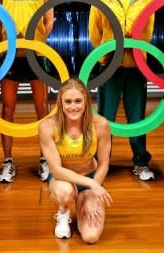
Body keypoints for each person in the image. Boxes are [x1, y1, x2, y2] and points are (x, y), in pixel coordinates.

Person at [0, 0, 54, 183]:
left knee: (42, 108)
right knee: (8, 108)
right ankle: (7, 162)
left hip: (36, 55)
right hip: (9, 57)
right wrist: (8, 45)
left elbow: (49, 21)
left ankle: (45, 160)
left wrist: (35, 43)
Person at [88, 0, 155, 181]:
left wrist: (138, 51)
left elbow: (148, 32)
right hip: (110, 67)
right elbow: (94, 31)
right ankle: (102, 163)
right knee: (105, 119)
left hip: (136, 67)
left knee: (137, 117)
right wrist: (105, 57)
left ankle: (140, 162)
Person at [39, 78, 113, 243]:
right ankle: (63, 211)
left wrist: (93, 191)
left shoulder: (101, 125)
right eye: (68, 101)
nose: (73, 106)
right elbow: (57, 170)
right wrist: (93, 184)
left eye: (78, 101)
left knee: (90, 237)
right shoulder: (47, 127)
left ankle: (83, 200)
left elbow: (103, 165)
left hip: (92, 178)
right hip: (62, 180)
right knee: (65, 192)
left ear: (86, 101)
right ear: (61, 102)